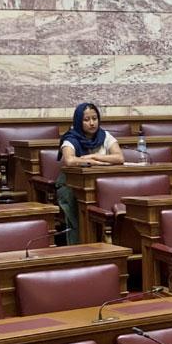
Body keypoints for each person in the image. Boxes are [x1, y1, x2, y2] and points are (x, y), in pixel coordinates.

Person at [56, 102, 123, 243]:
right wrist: (94, 163)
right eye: (86, 120)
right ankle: (79, 246)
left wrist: (93, 156)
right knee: (76, 206)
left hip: (101, 184)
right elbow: (69, 160)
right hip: (71, 186)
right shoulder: (71, 138)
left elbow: (119, 157)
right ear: (78, 121)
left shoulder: (104, 136)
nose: (92, 123)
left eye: (95, 118)